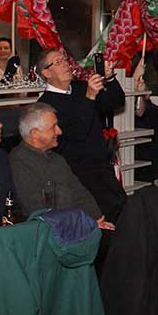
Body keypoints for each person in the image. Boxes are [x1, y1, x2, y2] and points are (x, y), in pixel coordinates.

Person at [36, 49, 126, 219]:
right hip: (77, 175)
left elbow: (115, 102)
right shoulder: (45, 105)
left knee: (124, 212)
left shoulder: (81, 88)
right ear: (46, 72)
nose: (65, 64)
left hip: (102, 167)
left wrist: (110, 78)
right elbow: (76, 132)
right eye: (58, 62)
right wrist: (90, 97)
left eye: (65, 59)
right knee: (99, 221)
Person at [9, 102, 115, 230]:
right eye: (53, 127)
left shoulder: (57, 159)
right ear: (35, 133)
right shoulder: (19, 161)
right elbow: (37, 210)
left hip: (75, 225)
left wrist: (96, 219)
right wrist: (84, 225)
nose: (59, 131)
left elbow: (79, 192)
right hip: (46, 233)